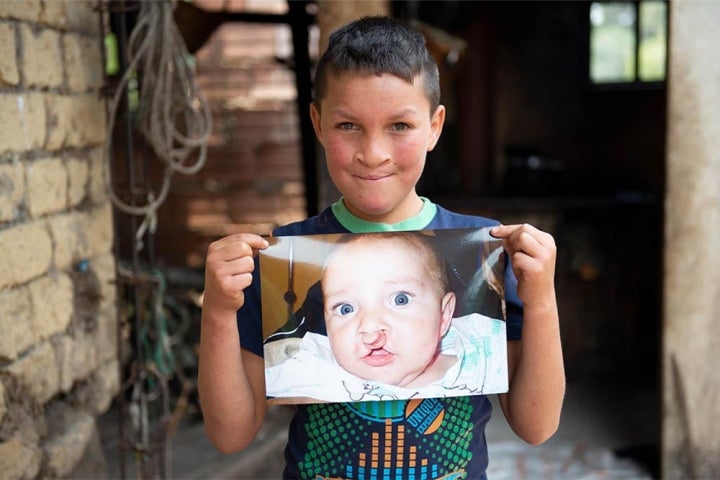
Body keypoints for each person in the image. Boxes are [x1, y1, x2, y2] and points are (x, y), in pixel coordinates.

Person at [199, 15, 565, 479]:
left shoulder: (486, 255)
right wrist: (216, 311)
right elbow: (230, 435)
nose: (373, 153)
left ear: (434, 127)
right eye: (348, 125)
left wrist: (542, 300)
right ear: (317, 123)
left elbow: (537, 426)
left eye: (399, 125)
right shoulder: (284, 258)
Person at [263, 231, 508, 403]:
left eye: (400, 300)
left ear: (444, 315)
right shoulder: (316, 368)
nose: (370, 328)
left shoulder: (480, 352)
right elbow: (255, 397)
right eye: (346, 308)